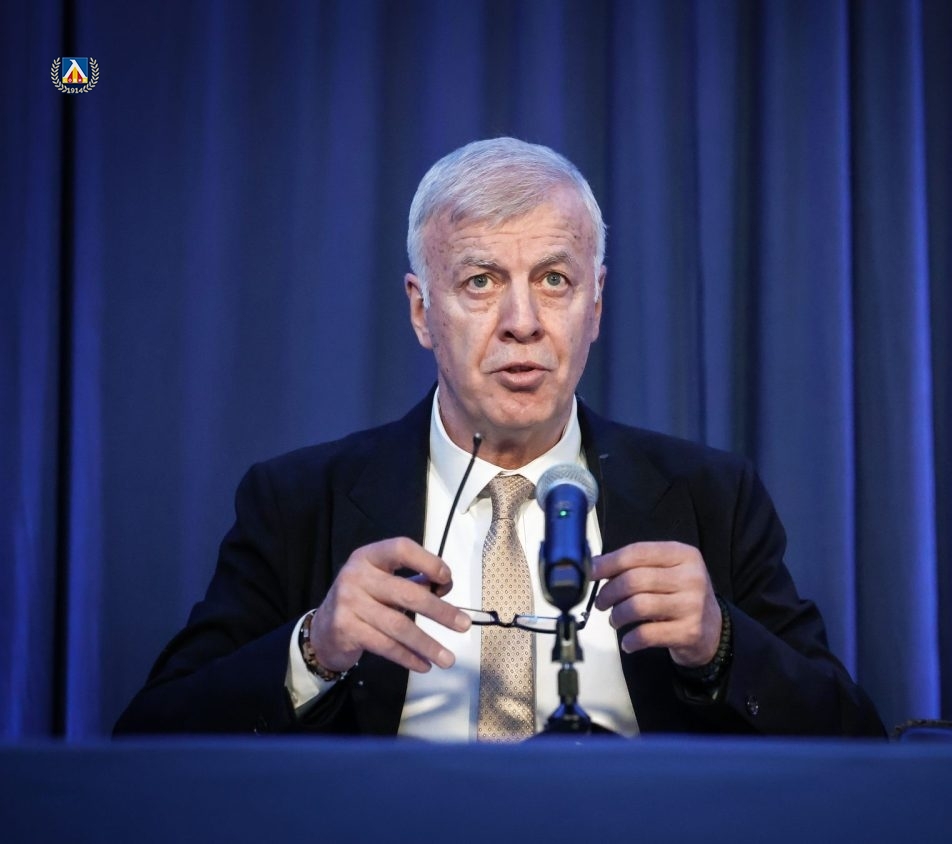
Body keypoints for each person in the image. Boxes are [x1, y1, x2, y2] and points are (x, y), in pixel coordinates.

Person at [115, 138, 884, 739]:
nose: (522, 323)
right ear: (421, 311)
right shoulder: (297, 503)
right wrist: (314, 647)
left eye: (554, 280)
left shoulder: (711, 498)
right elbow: (148, 743)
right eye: (480, 281)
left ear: (596, 304)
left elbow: (857, 745)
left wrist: (723, 644)